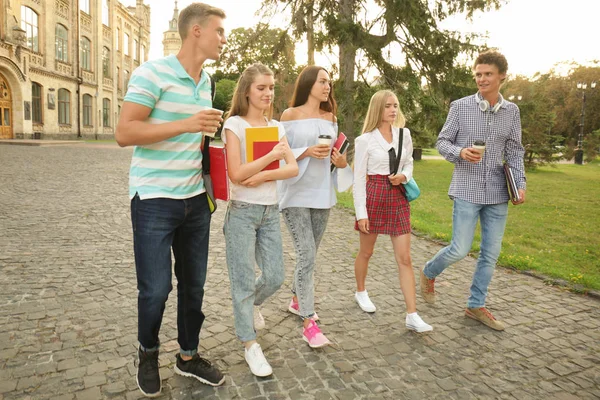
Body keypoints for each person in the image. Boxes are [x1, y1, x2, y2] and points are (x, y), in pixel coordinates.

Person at [115, 3, 227, 397]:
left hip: (195, 201)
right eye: (218, 31)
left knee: (193, 286)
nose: (223, 39)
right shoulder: (152, 73)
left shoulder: (208, 81)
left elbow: (199, 143)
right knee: (156, 289)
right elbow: (125, 132)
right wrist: (188, 123)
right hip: (153, 200)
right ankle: (147, 352)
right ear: (195, 31)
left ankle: (188, 355)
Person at [420, 50, 526, 331]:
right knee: (459, 249)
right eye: (478, 74)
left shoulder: (512, 112)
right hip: (466, 188)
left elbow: (515, 152)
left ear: (502, 75)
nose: (481, 79)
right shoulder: (460, 106)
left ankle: (475, 305)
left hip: (498, 193)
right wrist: (460, 151)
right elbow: (442, 141)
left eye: (488, 74)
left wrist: (521, 184)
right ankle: (428, 272)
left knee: (490, 255)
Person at [221, 63, 298, 377]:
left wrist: (264, 173)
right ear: (247, 91)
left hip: (269, 211)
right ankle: (250, 344)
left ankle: (251, 306)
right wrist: (269, 158)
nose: (268, 94)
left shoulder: (277, 126)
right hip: (241, 213)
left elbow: (292, 168)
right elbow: (237, 175)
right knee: (241, 283)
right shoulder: (234, 125)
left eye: (271, 88)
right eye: (261, 88)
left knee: (276, 276)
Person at [352, 90, 433, 333]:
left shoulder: (403, 134)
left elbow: (408, 162)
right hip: (374, 195)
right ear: (378, 108)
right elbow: (358, 180)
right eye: (388, 105)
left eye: (395, 105)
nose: (393, 110)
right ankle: (361, 291)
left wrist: (404, 175)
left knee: (405, 258)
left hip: (397, 195)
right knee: (367, 252)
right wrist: (361, 213)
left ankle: (412, 314)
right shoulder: (365, 140)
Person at [279, 66, 348, 348]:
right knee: (306, 253)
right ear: (308, 84)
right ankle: (309, 321)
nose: (327, 86)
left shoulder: (331, 118)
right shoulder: (289, 116)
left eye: (329, 82)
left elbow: (335, 157)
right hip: (295, 193)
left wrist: (341, 162)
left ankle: (297, 300)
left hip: (322, 194)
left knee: (311, 254)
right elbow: (280, 154)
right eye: (322, 81)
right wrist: (305, 151)